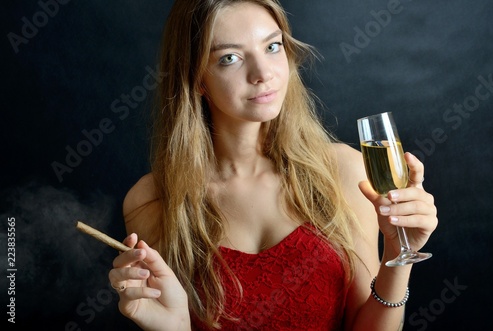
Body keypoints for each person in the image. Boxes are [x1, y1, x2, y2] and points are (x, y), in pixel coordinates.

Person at [108, 0, 438, 330]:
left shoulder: (345, 172)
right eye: (230, 58)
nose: (263, 73)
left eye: (272, 46)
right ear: (196, 78)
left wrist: (397, 254)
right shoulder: (154, 200)